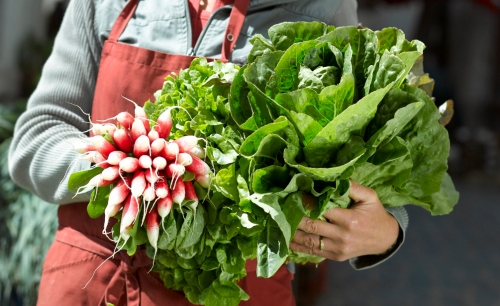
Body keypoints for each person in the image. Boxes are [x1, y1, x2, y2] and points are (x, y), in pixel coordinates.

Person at [8, 0, 407, 305]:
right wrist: (135, 173)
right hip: (91, 283)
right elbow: (34, 140)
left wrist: (388, 233)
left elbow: (355, 162)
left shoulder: (316, 8)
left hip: (235, 289)